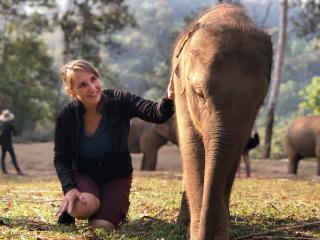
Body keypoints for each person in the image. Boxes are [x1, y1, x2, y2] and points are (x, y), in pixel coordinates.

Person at [54, 59, 175, 231]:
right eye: (82, 85)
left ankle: (109, 206)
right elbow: (61, 158)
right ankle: (73, 207)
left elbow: (156, 113)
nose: (92, 87)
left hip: (117, 176)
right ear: (72, 91)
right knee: (82, 209)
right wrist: (69, 188)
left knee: (102, 228)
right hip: (84, 174)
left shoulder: (120, 100)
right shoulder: (66, 117)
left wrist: (169, 98)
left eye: (93, 79)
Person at [0, 109, 23, 175]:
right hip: (9, 144)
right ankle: (18, 171)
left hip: (3, 144)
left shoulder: (1, 125)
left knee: (3, 157)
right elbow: (15, 134)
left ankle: (4, 171)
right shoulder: (11, 126)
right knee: (13, 157)